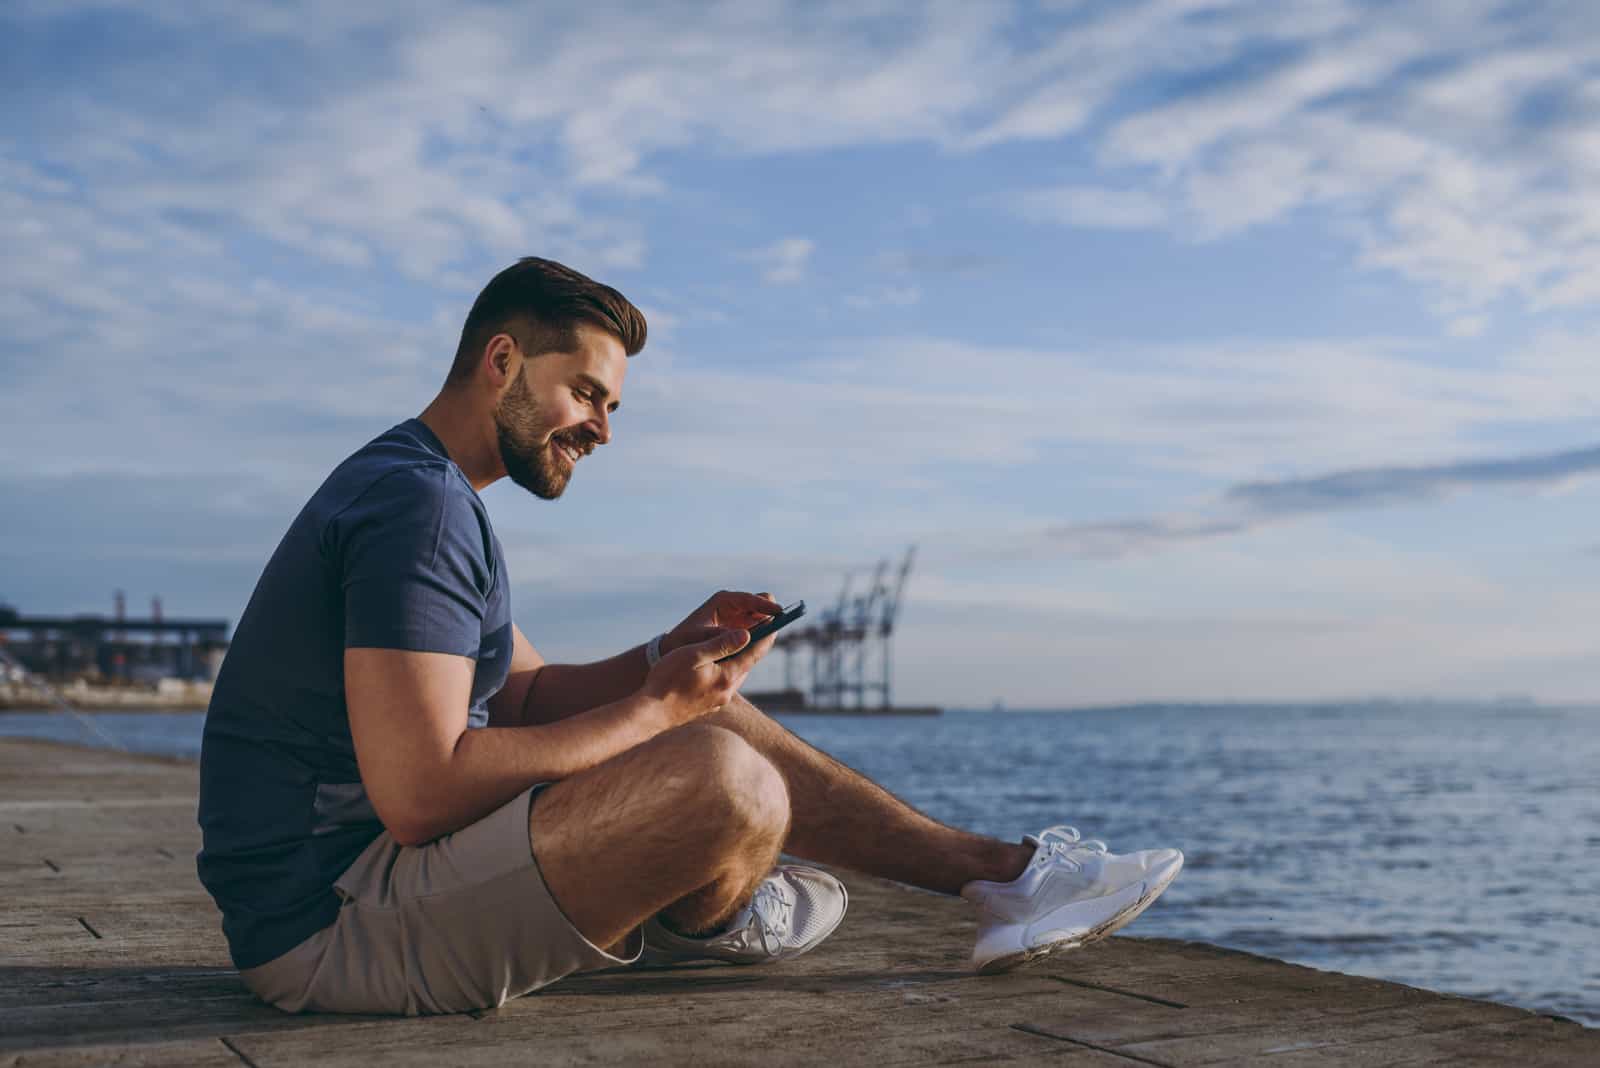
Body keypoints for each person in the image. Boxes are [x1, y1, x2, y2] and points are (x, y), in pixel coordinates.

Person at [196, 257, 1183, 1017]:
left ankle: (1006, 878)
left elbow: (529, 694)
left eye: (612, 406)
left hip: (346, 897)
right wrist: (654, 710)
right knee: (722, 780)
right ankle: (700, 909)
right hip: (335, 925)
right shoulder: (417, 507)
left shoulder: (423, 490)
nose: (602, 430)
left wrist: (663, 659)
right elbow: (419, 795)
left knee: (707, 708)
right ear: (501, 359)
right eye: (585, 392)